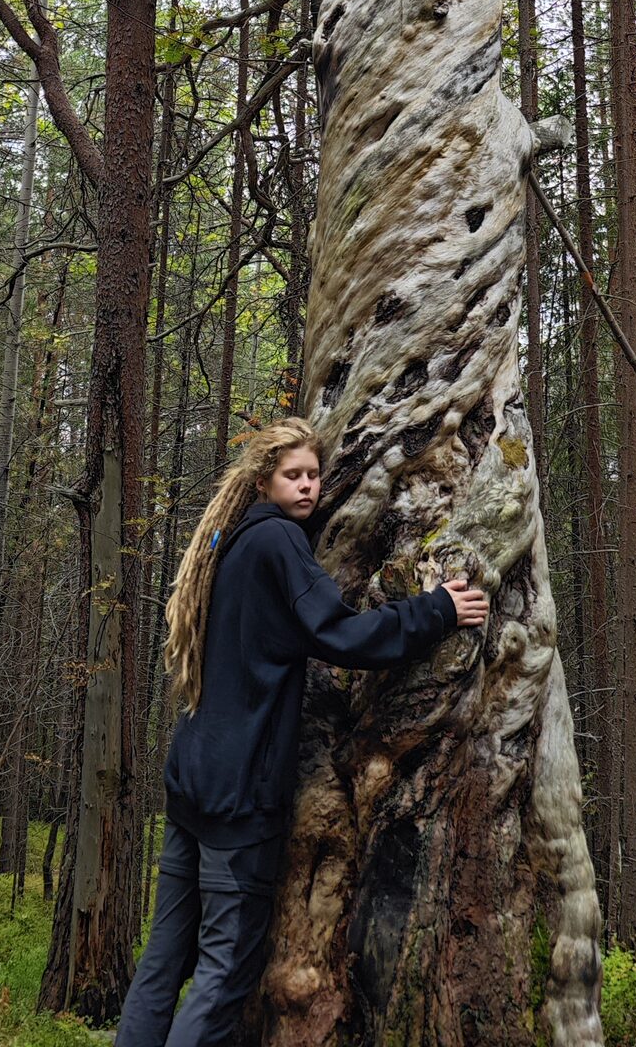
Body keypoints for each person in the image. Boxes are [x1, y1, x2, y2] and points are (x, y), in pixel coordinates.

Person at [114, 416, 489, 1047]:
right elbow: (340, 631)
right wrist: (438, 610)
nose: (309, 487)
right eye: (294, 475)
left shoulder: (226, 542)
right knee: (222, 972)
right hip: (238, 797)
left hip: (193, 781)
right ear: (265, 480)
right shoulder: (279, 543)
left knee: (163, 962)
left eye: (315, 475)